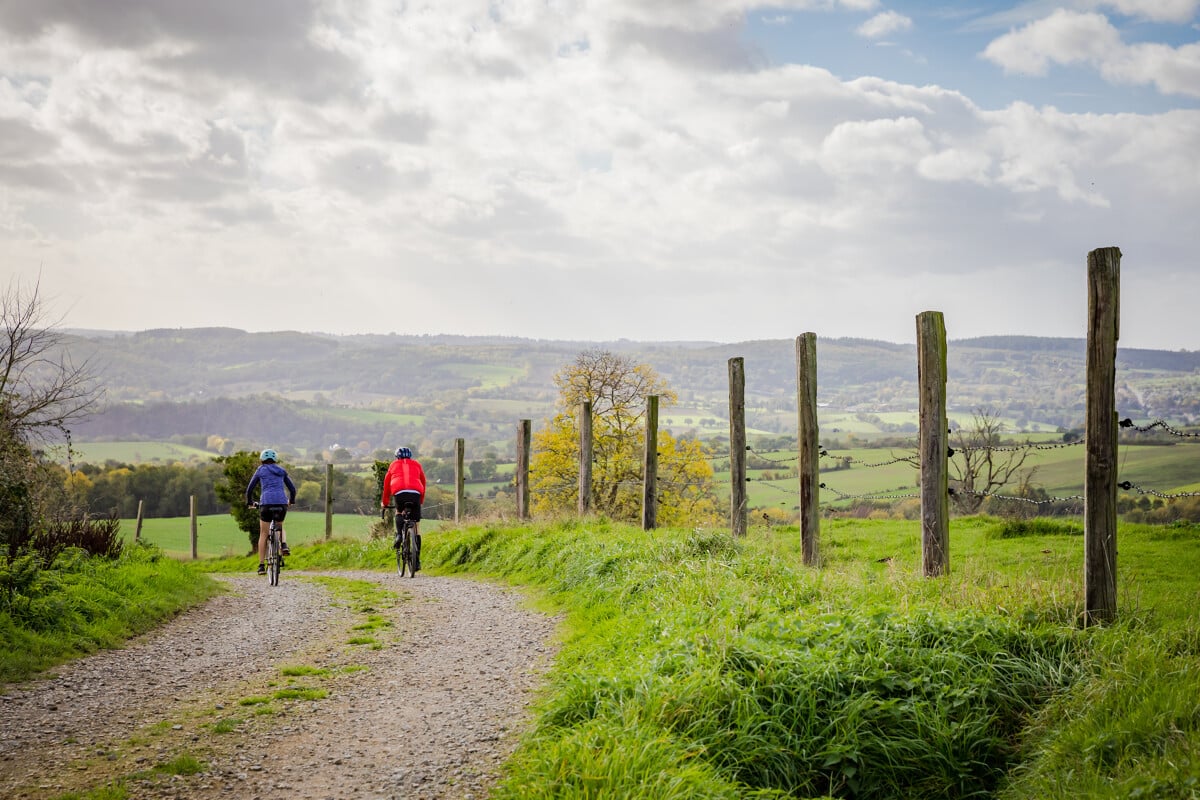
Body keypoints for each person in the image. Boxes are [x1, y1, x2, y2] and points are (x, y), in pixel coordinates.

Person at [245, 448, 297, 575]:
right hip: (281, 504)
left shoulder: (260, 470)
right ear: (275, 459)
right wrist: (291, 501)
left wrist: (250, 502)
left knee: (263, 533)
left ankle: (261, 566)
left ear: (262, 459)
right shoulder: (281, 471)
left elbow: (249, 490)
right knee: (280, 525)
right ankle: (283, 545)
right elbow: (293, 489)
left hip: (266, 504)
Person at [381, 446, 427, 572]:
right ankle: (416, 561)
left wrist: (384, 503)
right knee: (416, 526)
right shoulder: (417, 464)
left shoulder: (393, 465)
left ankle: (399, 536)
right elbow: (423, 481)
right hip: (416, 493)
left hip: (399, 492)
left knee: (399, 512)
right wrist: (420, 501)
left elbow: (386, 484)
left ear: (397, 457)